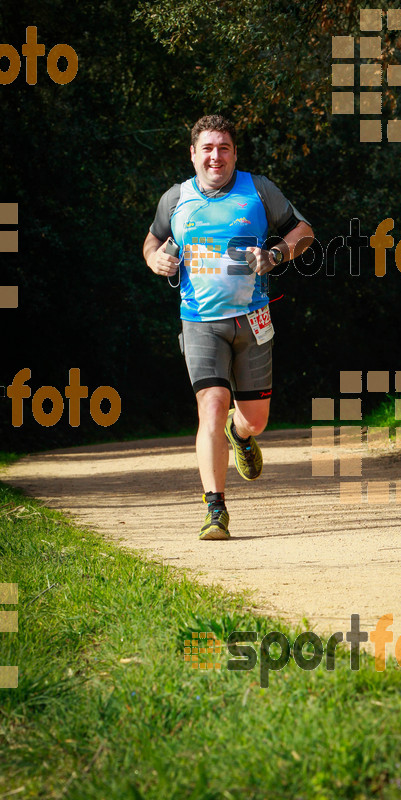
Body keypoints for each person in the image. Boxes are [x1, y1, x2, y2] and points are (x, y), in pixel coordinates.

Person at [143, 115, 314, 540]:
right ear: (193, 154)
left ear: (234, 153)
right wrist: (154, 259)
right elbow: (152, 240)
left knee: (254, 420)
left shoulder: (258, 190)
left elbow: (303, 232)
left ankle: (241, 438)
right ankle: (215, 508)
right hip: (199, 321)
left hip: (253, 319)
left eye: (224, 148)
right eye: (208, 148)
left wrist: (275, 255)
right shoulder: (175, 199)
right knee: (212, 404)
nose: (215, 156)